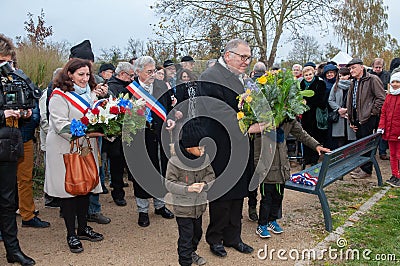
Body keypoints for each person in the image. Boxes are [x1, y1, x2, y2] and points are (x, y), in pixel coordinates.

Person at [45, 58, 107, 253]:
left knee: (85, 187)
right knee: (69, 190)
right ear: (69, 74)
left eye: (88, 75)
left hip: (85, 146)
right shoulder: (59, 95)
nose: (85, 78)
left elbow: (94, 117)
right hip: (64, 148)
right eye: (81, 74)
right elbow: (59, 124)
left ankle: (82, 228)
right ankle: (71, 234)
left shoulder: (88, 94)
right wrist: (89, 132)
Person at [199, 38, 254, 257]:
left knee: (239, 192)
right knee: (222, 194)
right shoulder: (210, 77)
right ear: (228, 55)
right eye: (243, 57)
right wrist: (249, 126)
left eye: (248, 58)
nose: (246, 62)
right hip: (221, 144)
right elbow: (216, 111)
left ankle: (234, 236)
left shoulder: (241, 78)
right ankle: (215, 238)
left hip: (240, 144)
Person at [253, 120, 330, 238]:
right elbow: (257, 148)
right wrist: (259, 168)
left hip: (281, 167)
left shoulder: (288, 120)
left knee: (278, 196)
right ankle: (262, 224)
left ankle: (272, 220)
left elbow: (301, 134)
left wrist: (316, 145)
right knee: (266, 198)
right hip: (267, 168)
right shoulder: (263, 121)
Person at [0, 33, 36, 266]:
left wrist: (24, 111)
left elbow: (29, 102)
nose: (5, 66)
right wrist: (3, 114)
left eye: (8, 61)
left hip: (8, 143)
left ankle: (13, 250)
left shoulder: (13, 79)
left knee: (7, 199)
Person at [132, 56, 175, 227]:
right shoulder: (130, 90)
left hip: (160, 136)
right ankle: (142, 210)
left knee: (160, 171)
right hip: (139, 139)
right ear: (138, 72)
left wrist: (172, 119)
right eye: (149, 72)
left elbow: (169, 110)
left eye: (154, 71)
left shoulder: (161, 86)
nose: (152, 74)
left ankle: (160, 205)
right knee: (142, 173)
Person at [165, 119, 215, 266]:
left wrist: (204, 184)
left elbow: (211, 175)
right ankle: (185, 261)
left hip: (198, 208)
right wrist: (187, 188)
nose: (203, 150)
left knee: (197, 234)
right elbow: (169, 183)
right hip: (183, 209)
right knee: (185, 237)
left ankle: (192, 252)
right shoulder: (174, 161)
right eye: (200, 147)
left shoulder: (204, 159)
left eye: (204, 147)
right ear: (188, 147)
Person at [345, 58, 385, 179]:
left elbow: (381, 98)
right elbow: (351, 100)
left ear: (361, 67)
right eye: (350, 69)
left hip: (368, 117)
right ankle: (362, 166)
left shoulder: (372, 79)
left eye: (353, 68)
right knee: (359, 144)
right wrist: (351, 119)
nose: (351, 70)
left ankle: (367, 170)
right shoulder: (353, 82)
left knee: (367, 144)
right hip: (357, 117)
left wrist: (372, 112)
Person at [103, 61, 135, 207]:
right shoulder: (111, 87)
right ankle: (117, 192)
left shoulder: (129, 86)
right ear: (122, 74)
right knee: (116, 162)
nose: (132, 78)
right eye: (130, 75)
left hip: (128, 129)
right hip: (115, 132)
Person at [17, 101, 51, 228]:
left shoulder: (24, 82)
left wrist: (28, 116)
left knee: (25, 179)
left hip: (24, 138)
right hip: (3, 139)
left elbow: (36, 113)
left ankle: (27, 215)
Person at [300, 66, 327, 166]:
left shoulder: (320, 83)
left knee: (315, 136)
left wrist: (308, 101)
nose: (308, 77)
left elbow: (321, 99)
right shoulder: (301, 84)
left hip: (315, 114)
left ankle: (314, 158)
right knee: (305, 135)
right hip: (305, 114)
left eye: (310, 74)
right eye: (306, 75)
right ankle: (306, 157)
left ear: (314, 73)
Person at [378, 72, 400, 188]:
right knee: (392, 154)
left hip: (398, 132)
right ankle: (395, 174)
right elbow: (384, 113)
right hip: (390, 131)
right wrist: (381, 127)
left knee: (398, 154)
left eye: (397, 82)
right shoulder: (389, 97)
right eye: (393, 82)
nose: (395, 84)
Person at [328, 67, 356, 149]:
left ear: (349, 75)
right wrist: (338, 109)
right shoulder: (336, 86)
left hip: (350, 114)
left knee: (351, 138)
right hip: (339, 116)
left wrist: (347, 110)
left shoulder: (353, 85)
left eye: (344, 75)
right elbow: (331, 100)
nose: (342, 77)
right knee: (340, 139)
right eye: (340, 76)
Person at [368, 58, 391, 160]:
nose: (377, 69)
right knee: (370, 131)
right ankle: (369, 151)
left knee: (381, 130)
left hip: (383, 106)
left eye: (379, 67)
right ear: (372, 67)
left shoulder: (386, 75)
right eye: (376, 67)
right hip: (370, 107)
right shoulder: (368, 76)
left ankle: (382, 151)